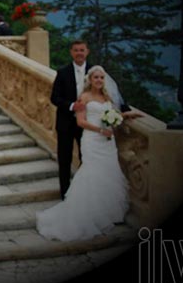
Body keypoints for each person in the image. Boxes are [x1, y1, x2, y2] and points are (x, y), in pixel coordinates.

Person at [37, 65, 142, 241]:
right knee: (91, 174)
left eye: (102, 77)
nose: (99, 80)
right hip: (92, 141)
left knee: (108, 174)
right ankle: (86, 213)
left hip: (108, 144)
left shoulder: (107, 97)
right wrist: (101, 131)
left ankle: (106, 212)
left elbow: (115, 114)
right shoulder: (84, 97)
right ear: (90, 80)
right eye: (96, 78)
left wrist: (129, 114)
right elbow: (80, 122)